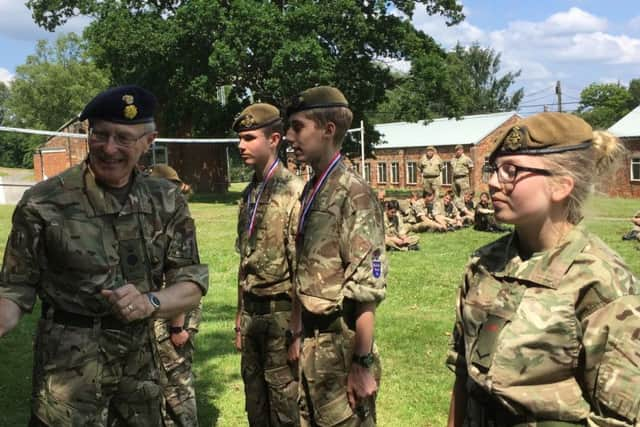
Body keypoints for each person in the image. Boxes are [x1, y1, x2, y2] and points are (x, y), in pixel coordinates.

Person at [0, 85, 209, 427]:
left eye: (123, 139)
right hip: (67, 377)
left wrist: (150, 302)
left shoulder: (167, 201)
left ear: (149, 141)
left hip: (139, 374)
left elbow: (192, 281)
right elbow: (15, 287)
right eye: (100, 135)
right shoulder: (44, 201)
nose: (109, 148)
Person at [446, 112, 640, 426]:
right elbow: (464, 377)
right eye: (494, 169)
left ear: (561, 186)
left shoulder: (601, 282)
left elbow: (620, 418)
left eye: (512, 171)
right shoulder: (484, 264)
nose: (494, 182)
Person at [286, 86, 386, 426]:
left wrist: (362, 363)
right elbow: (304, 266)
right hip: (312, 344)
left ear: (328, 130)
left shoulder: (354, 193)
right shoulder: (313, 188)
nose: (289, 136)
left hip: (341, 347)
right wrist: (296, 331)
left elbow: (367, 288)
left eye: (298, 127)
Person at [233, 103, 303, 427]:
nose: (241, 145)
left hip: (281, 319)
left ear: (274, 139)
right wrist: (238, 317)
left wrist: (298, 330)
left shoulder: (294, 193)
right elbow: (243, 263)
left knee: (285, 410)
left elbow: (301, 267)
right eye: (239, 138)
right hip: (251, 317)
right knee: (256, 409)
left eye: (249, 138)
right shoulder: (249, 194)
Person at [148, 163, 202, 427]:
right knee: (161, 385)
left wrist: (177, 326)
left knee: (177, 385)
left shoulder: (174, 219)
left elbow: (179, 277)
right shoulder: (160, 216)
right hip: (160, 316)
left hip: (173, 319)